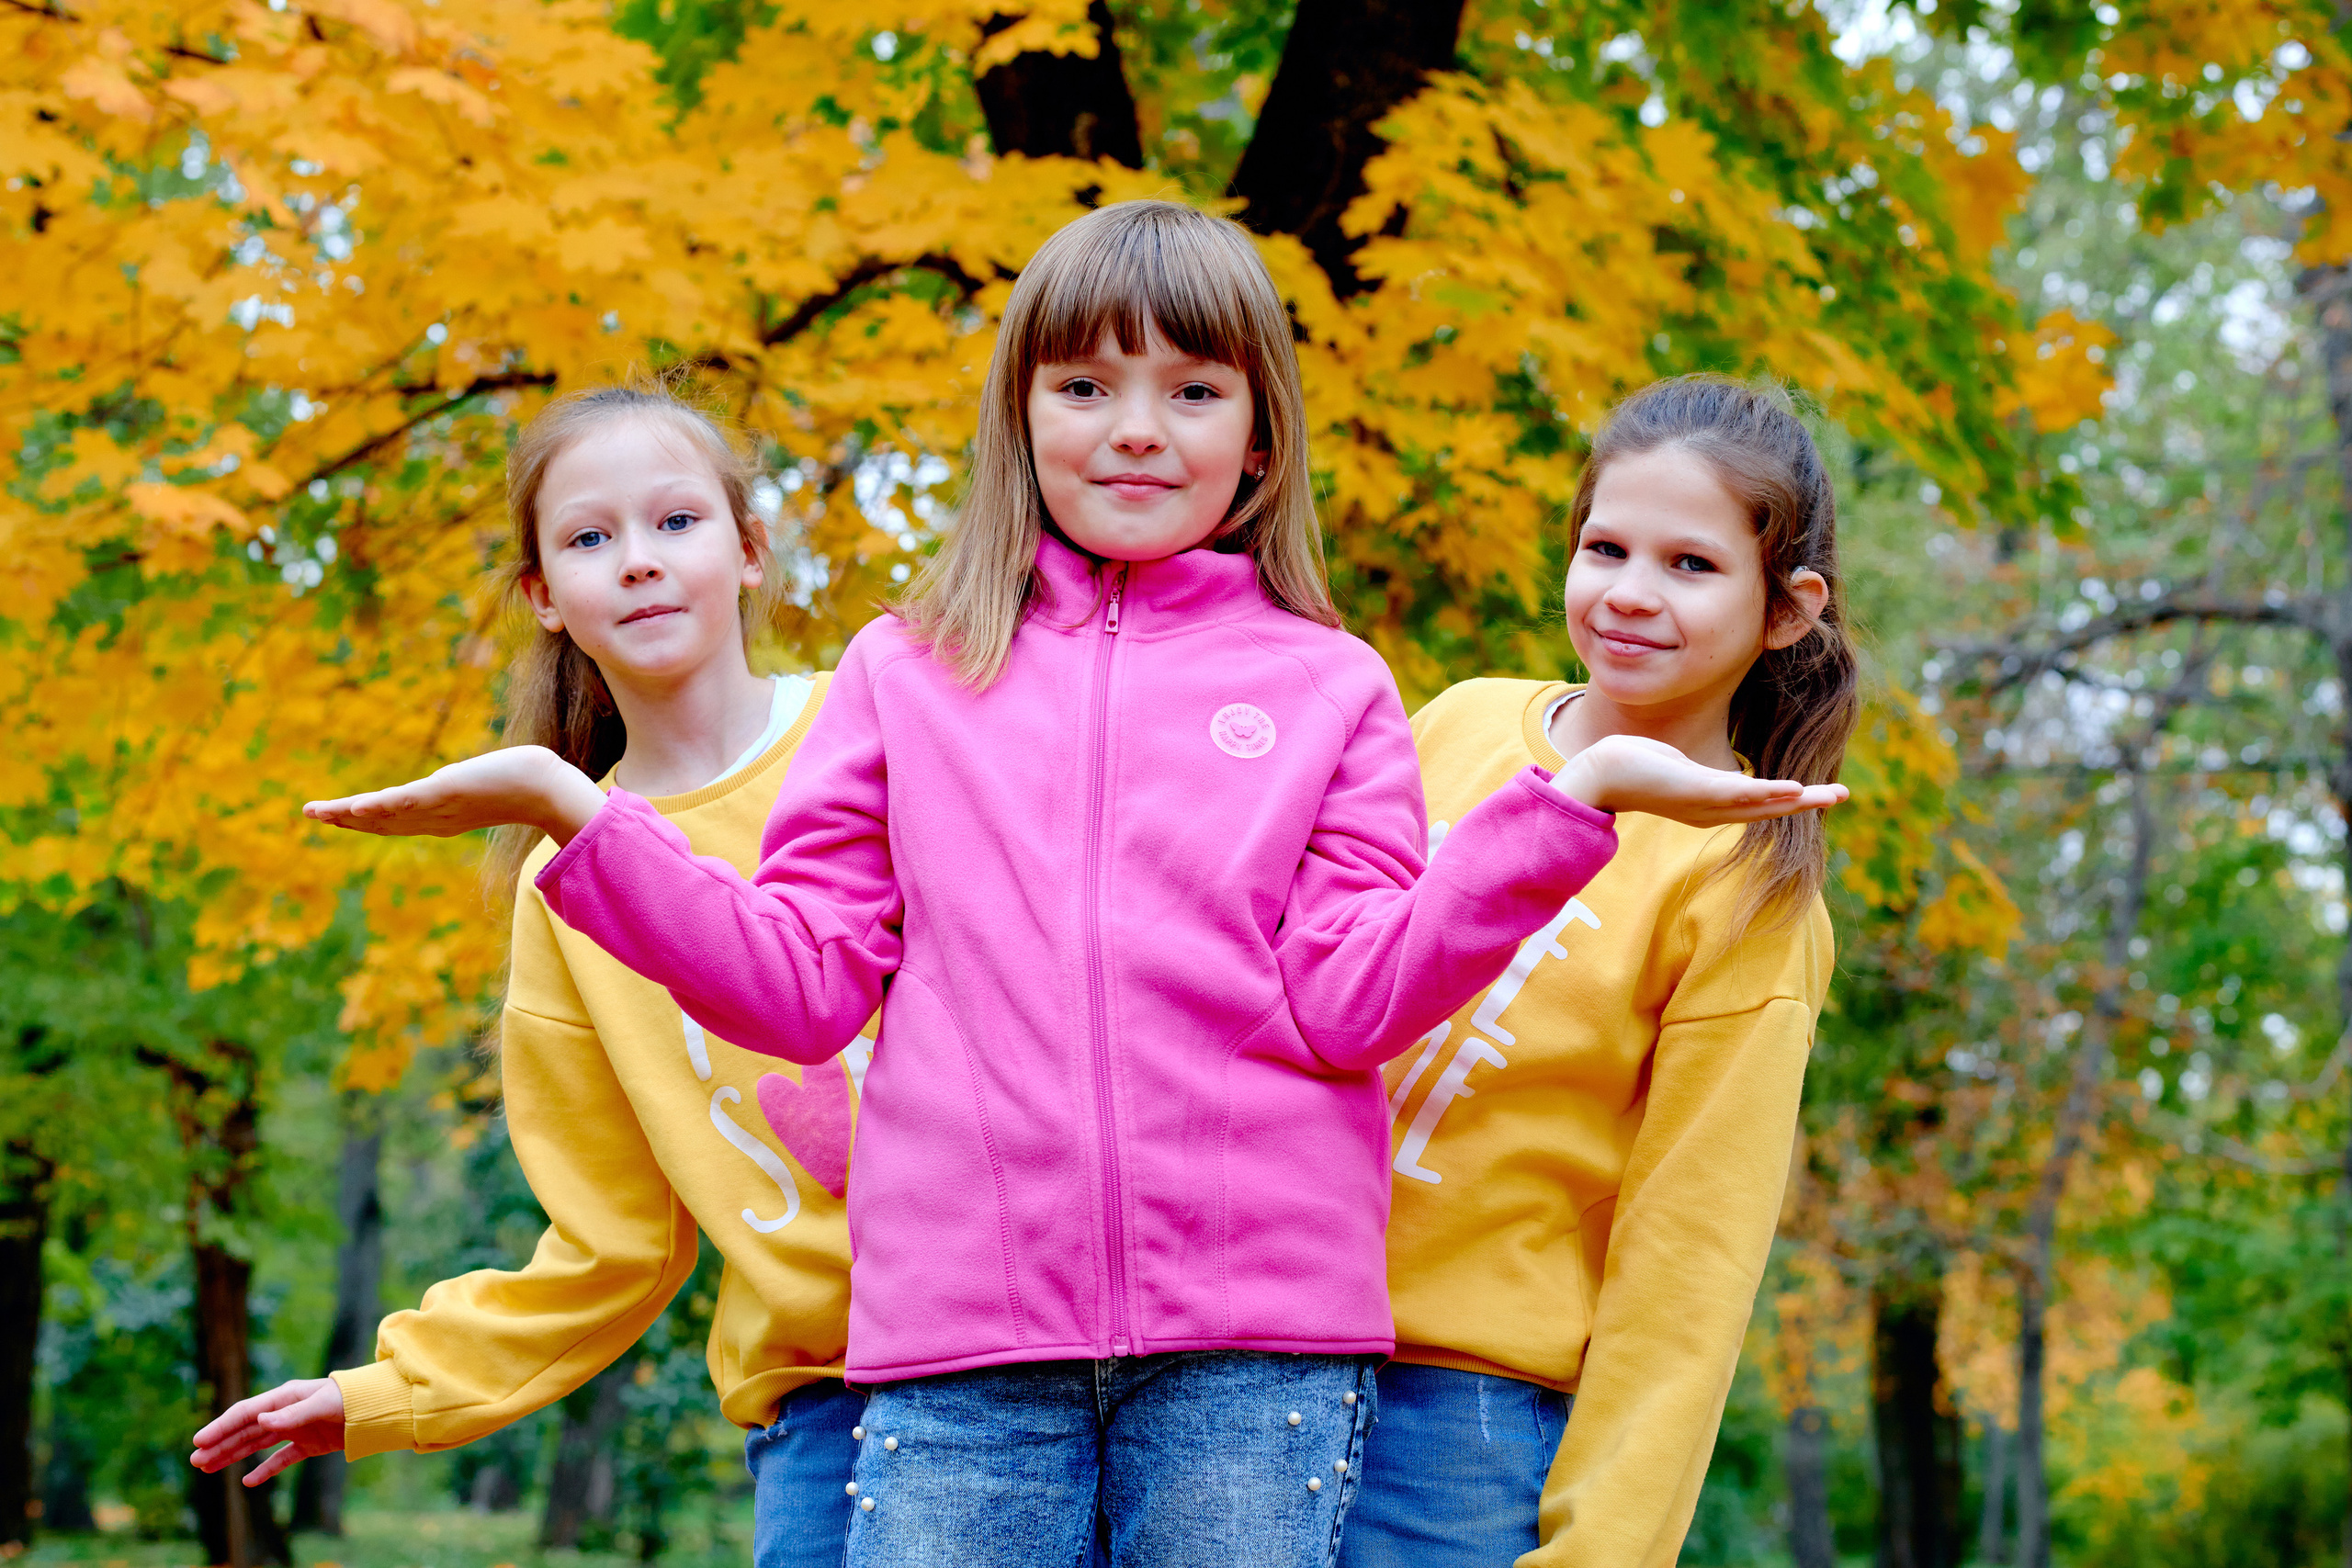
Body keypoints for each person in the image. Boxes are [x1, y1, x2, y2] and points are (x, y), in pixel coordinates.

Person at [299, 204, 1844, 1568]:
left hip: (1256, 1357)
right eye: (1085, 386)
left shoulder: (1334, 685)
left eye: (1192, 390)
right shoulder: (908, 674)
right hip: (959, 1354)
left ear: (1260, 434)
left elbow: (1353, 995)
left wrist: (1571, 806)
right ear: (1020, 413)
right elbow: (799, 983)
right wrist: (580, 818)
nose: (1134, 429)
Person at [190, 382, 872, 1568]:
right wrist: (391, 1390)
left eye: (676, 522)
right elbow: (613, 1242)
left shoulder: (874, 733)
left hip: (1033, 1355)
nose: (640, 563)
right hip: (825, 1400)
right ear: (545, 597)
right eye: (591, 539)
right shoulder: (571, 897)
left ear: (752, 549)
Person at [1339, 376, 1856, 1568]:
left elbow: (1687, 1266)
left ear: (1787, 610)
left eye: (1690, 565)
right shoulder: (1461, 724)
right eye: (1605, 546)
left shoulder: (1750, 891)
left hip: (1461, 1436)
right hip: (1250, 1364)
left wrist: (1600, 1551)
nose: (1628, 593)